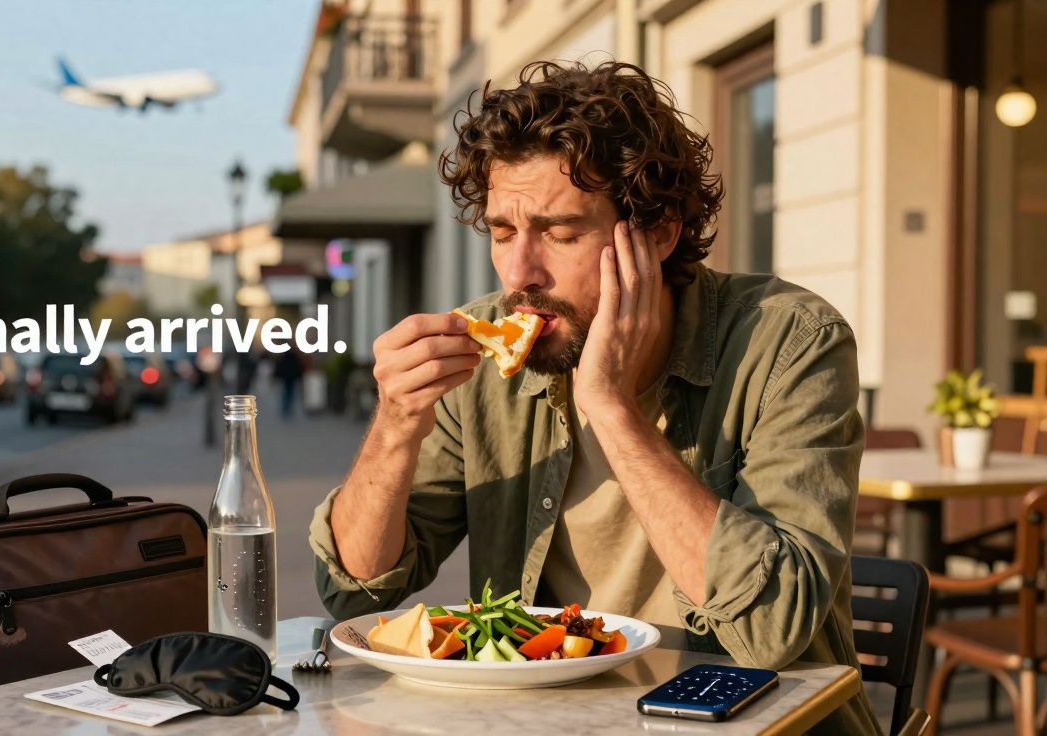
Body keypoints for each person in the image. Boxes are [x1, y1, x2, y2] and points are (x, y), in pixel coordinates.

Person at [309, 61, 878, 734]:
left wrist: (610, 407)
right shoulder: (483, 358)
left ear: (658, 233)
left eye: (561, 233)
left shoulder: (789, 343)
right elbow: (354, 592)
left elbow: (773, 627)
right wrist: (396, 424)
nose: (520, 273)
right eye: (502, 233)